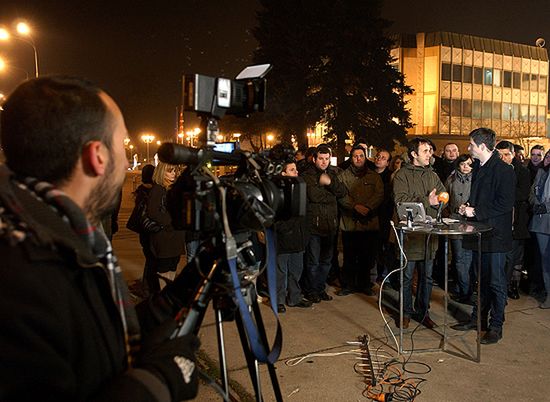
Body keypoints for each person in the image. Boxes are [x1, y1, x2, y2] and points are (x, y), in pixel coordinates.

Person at [0, 77, 198, 401]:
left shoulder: (62, 237)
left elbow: (100, 336)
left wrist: (183, 292)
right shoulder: (21, 279)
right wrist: (157, 382)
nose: (125, 160)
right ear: (98, 156)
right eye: (122, 144)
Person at [452, 128, 515, 345]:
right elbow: (480, 197)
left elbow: (505, 203)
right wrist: (468, 206)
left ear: (481, 146)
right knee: (480, 280)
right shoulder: (479, 167)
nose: (468, 148)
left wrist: (476, 211)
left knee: (496, 283)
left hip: (496, 236)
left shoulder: (504, 171)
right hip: (479, 233)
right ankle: (477, 319)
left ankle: (496, 325)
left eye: (471, 145)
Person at [393, 137, 446, 329]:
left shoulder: (433, 175)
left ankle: (423, 312)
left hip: (428, 235)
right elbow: (401, 199)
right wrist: (427, 201)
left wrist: (442, 198)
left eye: (430, 151)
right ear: (414, 154)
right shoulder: (402, 175)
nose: (429, 154)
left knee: (427, 277)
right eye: (425, 151)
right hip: (409, 235)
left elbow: (442, 193)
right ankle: (405, 312)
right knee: (406, 276)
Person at [301, 145, 347, 303]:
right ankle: (311, 290)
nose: (324, 162)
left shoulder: (333, 173)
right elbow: (314, 196)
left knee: (326, 261)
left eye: (326, 159)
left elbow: (342, 192)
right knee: (313, 261)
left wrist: (329, 183)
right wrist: (329, 190)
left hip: (330, 225)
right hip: (314, 226)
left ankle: (320, 288)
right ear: (314, 159)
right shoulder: (307, 175)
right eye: (321, 158)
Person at [336, 145, 384, 296]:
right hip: (350, 223)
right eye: (355, 156)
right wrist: (355, 206)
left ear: (365, 157)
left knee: (366, 256)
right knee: (349, 255)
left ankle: (364, 284)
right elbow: (341, 195)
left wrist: (368, 207)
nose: (358, 159)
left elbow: (379, 194)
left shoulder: (374, 176)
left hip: (369, 223)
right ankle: (348, 285)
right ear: (351, 158)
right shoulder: (343, 176)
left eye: (361, 156)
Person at [274, 160, 312, 312]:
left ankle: (294, 297)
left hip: (299, 238)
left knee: (296, 270)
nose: (296, 172)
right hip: (283, 239)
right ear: (283, 174)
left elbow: (305, 213)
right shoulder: (277, 192)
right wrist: (283, 229)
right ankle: (279, 301)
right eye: (292, 170)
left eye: (296, 169)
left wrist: (305, 233)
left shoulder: (301, 189)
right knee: (281, 272)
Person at [495, 141, 531, 300]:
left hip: (515, 222)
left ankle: (508, 286)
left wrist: (503, 195)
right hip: (497, 222)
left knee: (513, 258)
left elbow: (522, 194)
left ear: (513, 154)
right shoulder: (494, 170)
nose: (503, 158)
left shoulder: (522, 172)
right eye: (500, 155)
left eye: (507, 155)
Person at [146, 162, 186, 292]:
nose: (174, 173)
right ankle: (163, 297)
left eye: (174, 170)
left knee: (173, 266)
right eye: (170, 171)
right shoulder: (158, 189)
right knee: (164, 268)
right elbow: (152, 212)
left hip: (175, 236)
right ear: (162, 172)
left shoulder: (173, 189)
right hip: (165, 237)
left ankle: (168, 294)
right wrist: (170, 221)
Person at [445, 154, 474, 304]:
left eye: (469, 164)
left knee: (468, 259)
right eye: (462, 164)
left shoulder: (477, 180)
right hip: (455, 220)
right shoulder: (451, 179)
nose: (465, 167)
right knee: (458, 258)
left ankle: (466, 291)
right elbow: (445, 198)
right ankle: (463, 290)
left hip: (471, 222)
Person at [528, 149, 550, 309]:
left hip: (546, 214)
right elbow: (532, 192)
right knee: (545, 260)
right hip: (542, 222)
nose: (548, 159)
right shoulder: (541, 172)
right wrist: (537, 204)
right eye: (548, 156)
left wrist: (546, 206)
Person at [132, 164, 157, 296]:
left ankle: (146, 285)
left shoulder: (141, 191)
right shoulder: (151, 193)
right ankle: (148, 287)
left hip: (143, 233)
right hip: (150, 232)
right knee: (152, 260)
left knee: (149, 259)